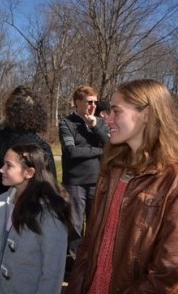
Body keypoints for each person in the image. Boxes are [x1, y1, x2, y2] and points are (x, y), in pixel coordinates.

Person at [67, 79, 178, 293]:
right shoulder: (112, 168)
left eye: (116, 111)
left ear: (146, 114)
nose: (107, 119)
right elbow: (88, 244)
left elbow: (168, 275)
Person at [0, 143, 71, 294]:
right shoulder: (0, 203)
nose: (1, 169)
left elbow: (52, 273)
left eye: (8, 165)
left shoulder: (50, 214)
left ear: (29, 172)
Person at [0, 85, 57, 221]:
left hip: (3, 210)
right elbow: (51, 185)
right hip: (24, 213)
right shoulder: (41, 147)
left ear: (10, 111)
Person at [59, 85, 109, 259]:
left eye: (95, 102)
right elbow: (71, 152)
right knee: (75, 225)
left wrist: (95, 128)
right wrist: (99, 151)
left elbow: (111, 146)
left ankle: (92, 260)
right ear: (78, 102)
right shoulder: (67, 123)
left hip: (98, 181)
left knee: (96, 224)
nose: (93, 106)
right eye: (89, 102)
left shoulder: (101, 123)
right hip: (74, 183)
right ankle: (73, 261)